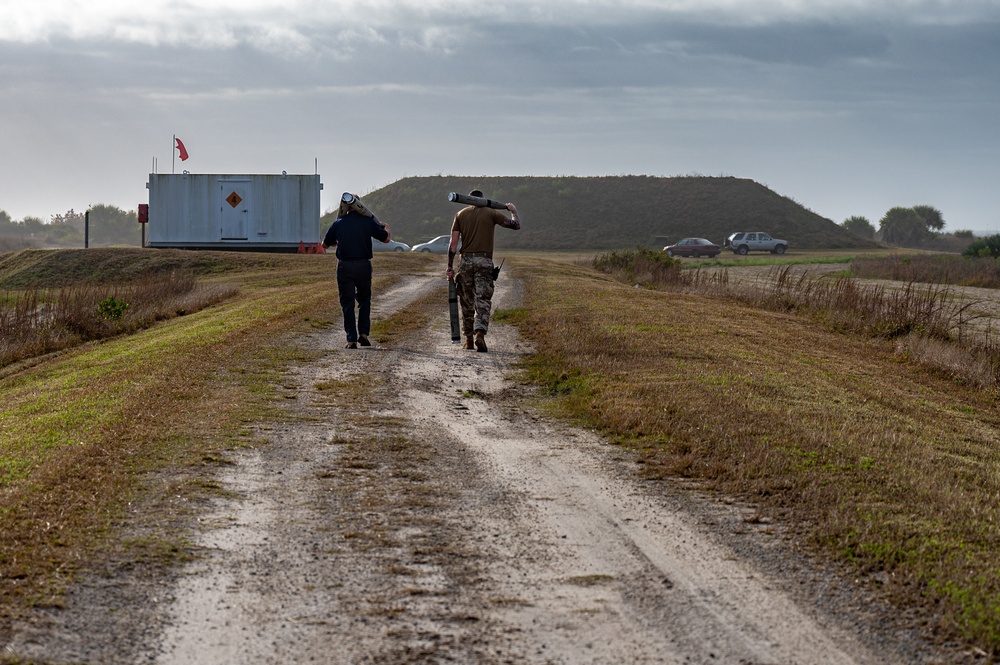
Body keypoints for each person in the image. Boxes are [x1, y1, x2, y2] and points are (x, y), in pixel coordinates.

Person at [445, 189, 521, 352]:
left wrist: (450, 267)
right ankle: (480, 333)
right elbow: (516, 226)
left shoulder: (460, 214)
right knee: (483, 300)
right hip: (484, 260)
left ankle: (469, 339)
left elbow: (453, 244)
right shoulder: (491, 212)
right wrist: (513, 211)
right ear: (483, 200)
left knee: (466, 300)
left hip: (465, 261)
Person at [322, 196, 391, 349]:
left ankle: (351, 339)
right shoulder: (367, 222)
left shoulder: (338, 223)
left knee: (347, 303)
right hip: (363, 266)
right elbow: (386, 239)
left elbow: (325, 245)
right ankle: (364, 334)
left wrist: (338, 240)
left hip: (344, 267)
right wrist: (386, 227)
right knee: (364, 300)